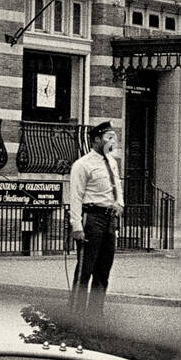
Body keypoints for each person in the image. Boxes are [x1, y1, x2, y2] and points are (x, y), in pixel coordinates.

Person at [69, 122, 124, 316]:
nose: (112, 141)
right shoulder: (82, 164)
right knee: (85, 269)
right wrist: (77, 225)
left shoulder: (112, 162)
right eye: (108, 137)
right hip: (92, 218)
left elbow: (116, 186)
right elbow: (75, 196)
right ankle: (75, 314)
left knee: (103, 271)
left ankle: (95, 315)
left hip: (109, 219)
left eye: (113, 137)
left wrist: (120, 204)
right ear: (96, 140)